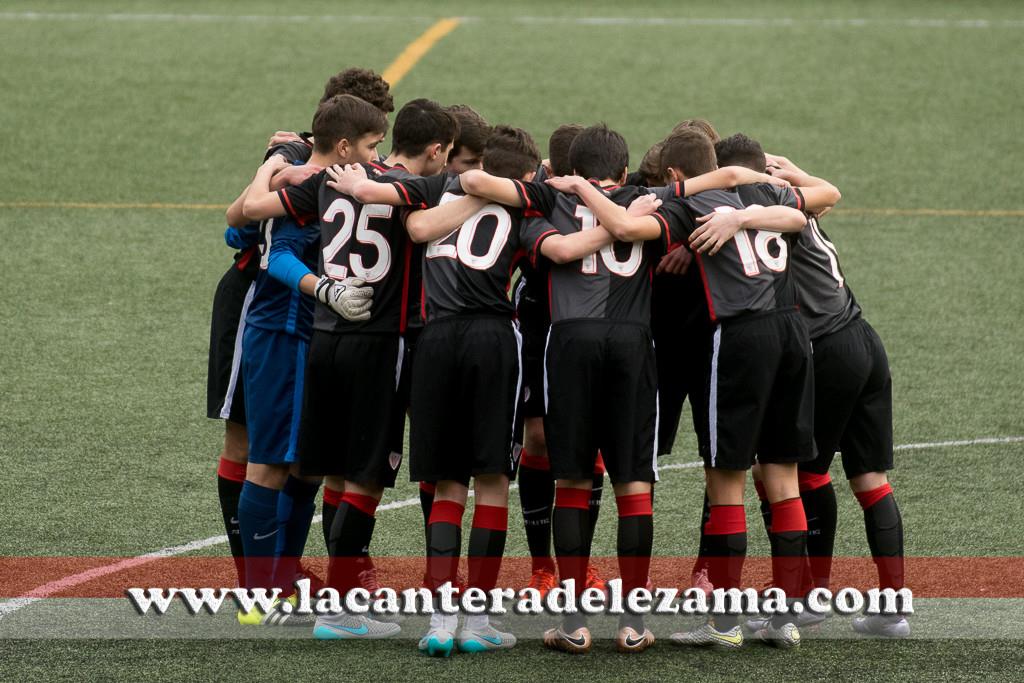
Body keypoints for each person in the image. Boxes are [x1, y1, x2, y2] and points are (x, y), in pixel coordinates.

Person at [242, 98, 459, 640]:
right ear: (436, 151)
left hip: (325, 336)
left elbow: (247, 214)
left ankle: (337, 598)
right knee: (366, 475)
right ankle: (339, 607)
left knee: (333, 469)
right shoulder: (418, 188)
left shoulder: (331, 182)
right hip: (380, 341)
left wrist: (277, 166)